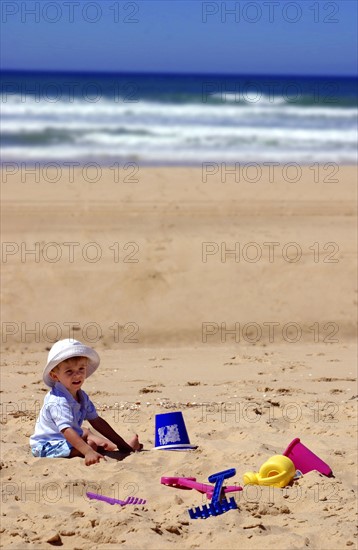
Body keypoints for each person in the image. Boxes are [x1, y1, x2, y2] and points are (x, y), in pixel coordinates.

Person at [30, 339, 142, 466]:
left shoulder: (81, 395)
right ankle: (95, 448)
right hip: (48, 445)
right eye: (69, 371)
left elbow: (97, 421)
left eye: (81, 369)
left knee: (86, 431)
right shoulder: (58, 401)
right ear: (55, 376)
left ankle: (116, 446)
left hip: (68, 437)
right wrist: (88, 451)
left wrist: (121, 444)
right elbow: (66, 430)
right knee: (91, 445)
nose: (77, 375)